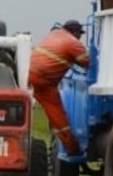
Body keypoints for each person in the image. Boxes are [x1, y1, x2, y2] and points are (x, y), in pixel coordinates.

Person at [28, 19, 90, 156]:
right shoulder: (73, 43)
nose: (80, 37)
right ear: (74, 32)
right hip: (44, 81)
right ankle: (72, 148)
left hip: (28, 74)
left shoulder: (54, 34)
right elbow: (88, 62)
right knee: (58, 116)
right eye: (79, 34)